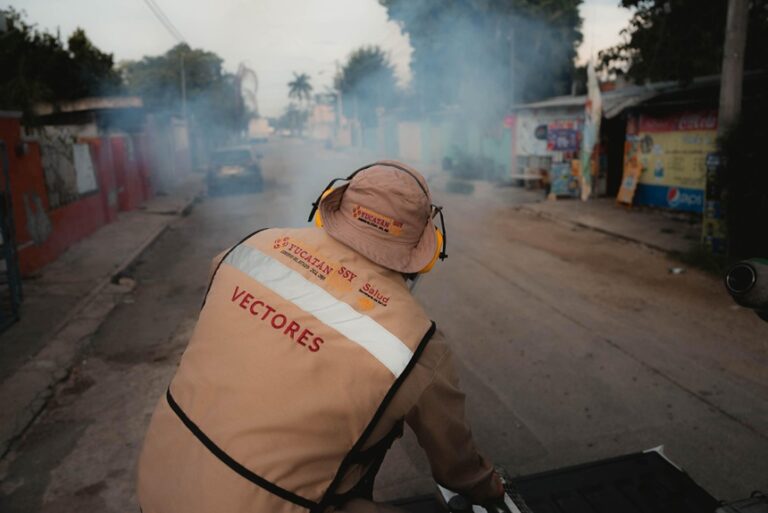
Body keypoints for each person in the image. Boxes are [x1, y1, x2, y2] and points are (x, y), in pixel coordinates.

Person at [136, 160, 505, 513]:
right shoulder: (417, 344)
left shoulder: (247, 249)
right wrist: (489, 487)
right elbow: (456, 468)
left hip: (156, 482)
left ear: (330, 208)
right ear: (424, 251)